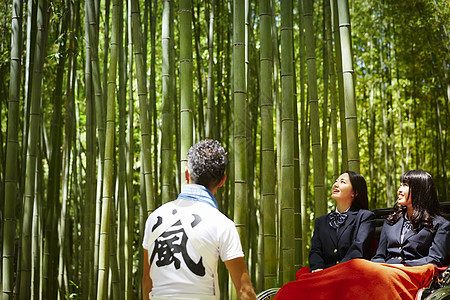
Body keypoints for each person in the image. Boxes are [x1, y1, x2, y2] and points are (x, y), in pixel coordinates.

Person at [142, 140, 256, 300]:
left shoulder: (154, 218)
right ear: (223, 180)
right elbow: (245, 292)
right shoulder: (222, 225)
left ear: (187, 174)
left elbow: (148, 282)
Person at [371, 169, 450, 267]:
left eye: (405, 185)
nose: (399, 190)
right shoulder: (391, 221)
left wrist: (403, 266)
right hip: (387, 273)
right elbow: (379, 256)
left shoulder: (440, 224)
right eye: (400, 185)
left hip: (415, 275)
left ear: (420, 190)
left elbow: (435, 259)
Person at [309, 171, 375, 272]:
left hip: (351, 273)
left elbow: (358, 248)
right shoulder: (320, 221)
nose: (335, 185)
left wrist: (337, 270)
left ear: (355, 193)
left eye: (342, 182)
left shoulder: (365, 217)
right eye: (336, 181)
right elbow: (315, 251)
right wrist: (318, 268)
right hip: (323, 273)